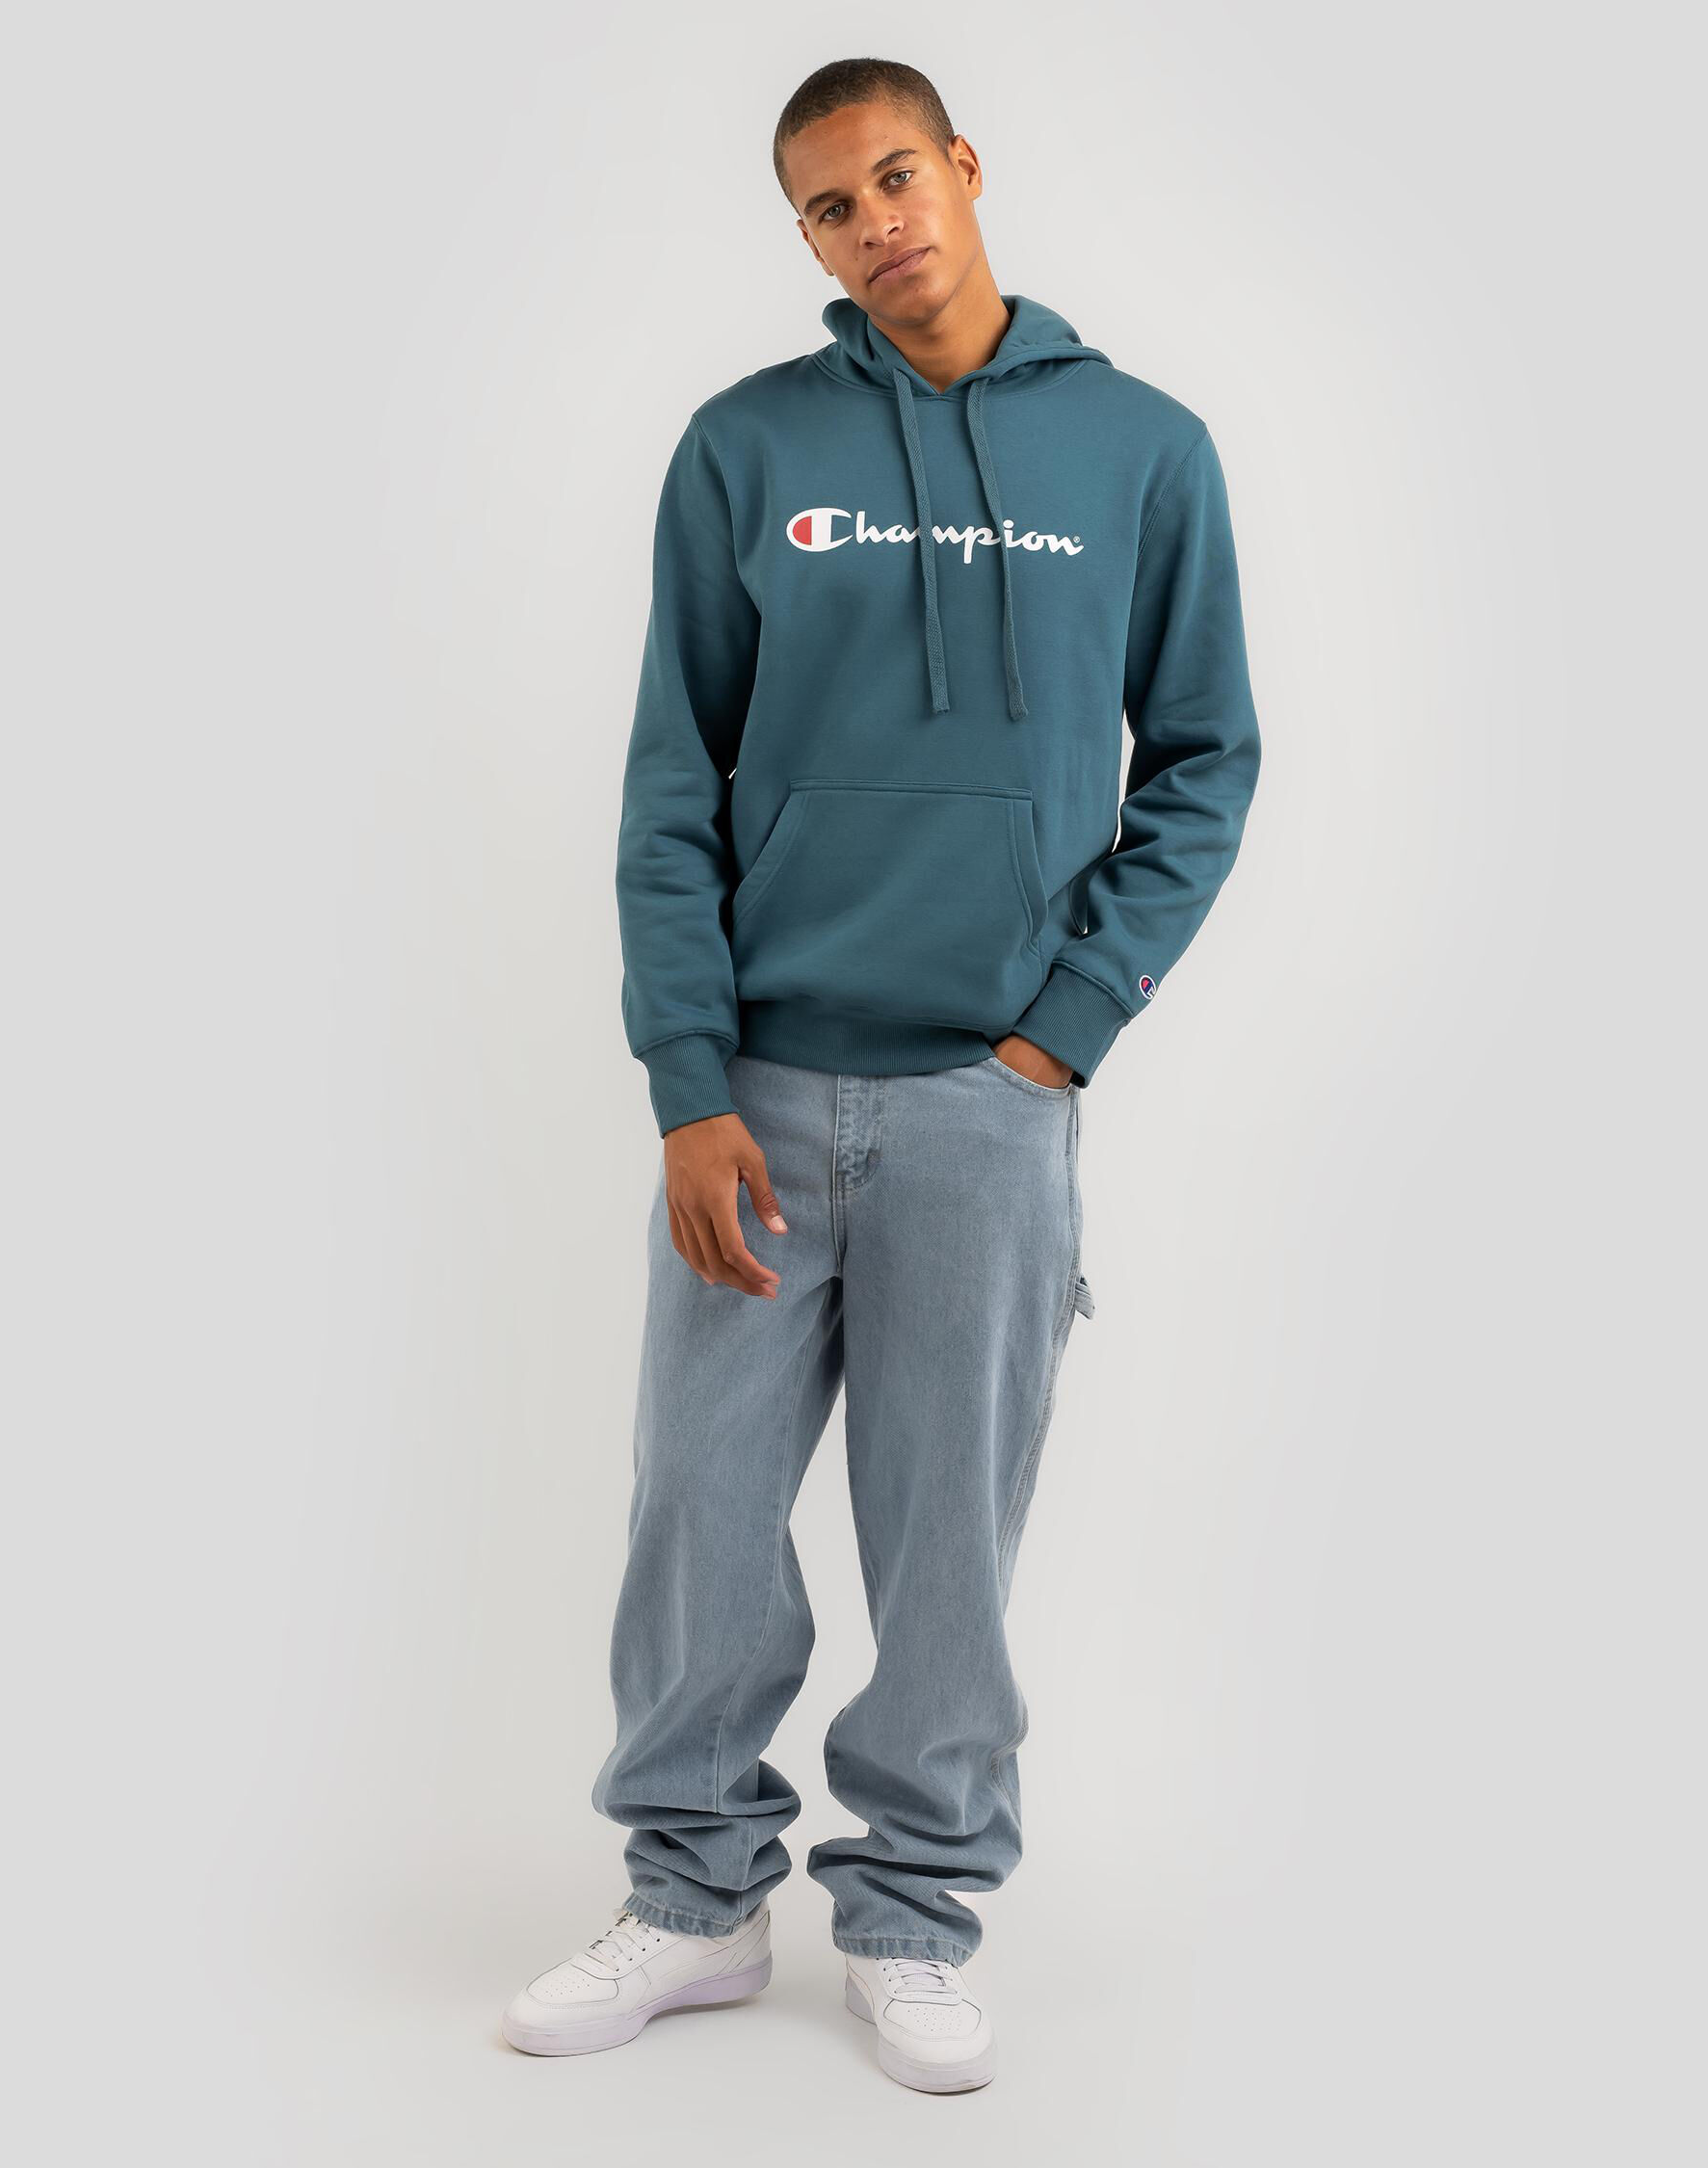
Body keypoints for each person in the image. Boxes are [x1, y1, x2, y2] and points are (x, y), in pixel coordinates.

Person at [503, 55, 1261, 2093]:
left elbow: (1208, 760)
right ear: (810, 239)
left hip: (987, 1109)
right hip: (756, 1094)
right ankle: (692, 1900)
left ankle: (916, 1914)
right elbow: (672, 781)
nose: (876, 225)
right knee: (696, 1508)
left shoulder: (1144, 448)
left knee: (948, 1544)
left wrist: (1062, 1031)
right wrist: (686, 1079)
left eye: (897, 177)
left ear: (965, 167)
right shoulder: (746, 448)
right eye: (831, 207)